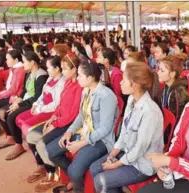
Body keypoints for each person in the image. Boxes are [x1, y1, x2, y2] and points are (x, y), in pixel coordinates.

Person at [89, 62, 164, 193]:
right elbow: (124, 132)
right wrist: (112, 155)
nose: (120, 83)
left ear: (134, 85)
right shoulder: (131, 100)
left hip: (143, 164)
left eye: (124, 80)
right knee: (94, 168)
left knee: (101, 180)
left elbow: (140, 148)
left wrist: (116, 164)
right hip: (129, 152)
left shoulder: (150, 111)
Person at [47, 60, 118, 193]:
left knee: (74, 170)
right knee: (51, 152)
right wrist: (69, 132)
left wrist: (81, 143)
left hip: (100, 140)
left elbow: (105, 129)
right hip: (84, 132)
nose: (77, 77)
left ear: (90, 78)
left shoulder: (106, 96)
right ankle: (76, 179)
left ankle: (77, 185)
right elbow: (81, 116)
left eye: (80, 75)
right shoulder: (86, 90)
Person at [24, 54, 83, 192]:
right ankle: (50, 171)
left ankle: (69, 177)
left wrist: (54, 124)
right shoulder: (68, 82)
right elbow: (60, 104)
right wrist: (52, 118)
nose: (62, 72)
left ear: (74, 70)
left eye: (64, 68)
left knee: (43, 145)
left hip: (69, 124)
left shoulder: (79, 87)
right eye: (61, 68)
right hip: (59, 120)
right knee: (32, 136)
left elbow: (72, 115)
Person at [0, 51, 48, 161]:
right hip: (26, 100)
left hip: (34, 104)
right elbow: (24, 89)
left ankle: (18, 145)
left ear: (32, 62)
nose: (23, 64)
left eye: (24, 62)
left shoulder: (41, 76)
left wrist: (19, 104)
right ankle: (14, 140)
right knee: (4, 112)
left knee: (10, 116)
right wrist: (18, 98)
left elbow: (37, 97)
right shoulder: (28, 73)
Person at [15, 56, 65, 136]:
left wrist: (40, 109)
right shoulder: (50, 78)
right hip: (42, 106)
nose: (47, 70)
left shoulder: (62, 82)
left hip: (50, 111)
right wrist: (36, 104)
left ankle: (31, 143)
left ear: (57, 68)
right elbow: (42, 94)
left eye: (48, 68)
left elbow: (56, 104)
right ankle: (27, 139)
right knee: (19, 119)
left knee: (26, 125)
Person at [0, 50, 26, 139]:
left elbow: (13, 89)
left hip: (15, 97)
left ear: (15, 60)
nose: (6, 61)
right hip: (12, 95)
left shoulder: (19, 70)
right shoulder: (14, 69)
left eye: (8, 59)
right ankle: (1, 133)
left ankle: (9, 136)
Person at [157, 55, 189, 122]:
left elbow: (177, 120)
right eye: (159, 69)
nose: (158, 72)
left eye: (162, 71)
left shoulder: (178, 93)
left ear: (172, 74)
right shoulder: (166, 87)